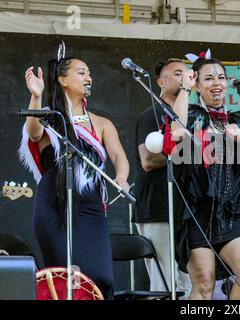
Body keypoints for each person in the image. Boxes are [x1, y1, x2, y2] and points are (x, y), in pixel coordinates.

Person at [19, 47, 130, 300]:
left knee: (101, 278)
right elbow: (35, 134)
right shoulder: (50, 116)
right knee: (64, 280)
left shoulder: (102, 123)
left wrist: (121, 178)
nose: (88, 77)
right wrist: (36, 97)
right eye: (81, 72)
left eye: (89, 73)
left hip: (91, 207)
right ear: (63, 80)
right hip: (54, 204)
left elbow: (119, 158)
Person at [170, 55, 240, 300]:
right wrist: (183, 88)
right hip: (198, 213)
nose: (216, 83)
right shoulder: (191, 116)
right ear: (197, 85)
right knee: (204, 282)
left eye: (220, 77)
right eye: (208, 78)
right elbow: (176, 132)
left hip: (233, 213)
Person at [133, 58, 191, 297]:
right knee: (165, 285)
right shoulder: (154, 113)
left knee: (187, 284)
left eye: (187, 73)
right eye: (178, 74)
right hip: (158, 209)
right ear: (160, 82)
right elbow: (147, 160)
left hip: (184, 210)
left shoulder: (191, 116)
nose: (185, 78)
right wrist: (188, 152)